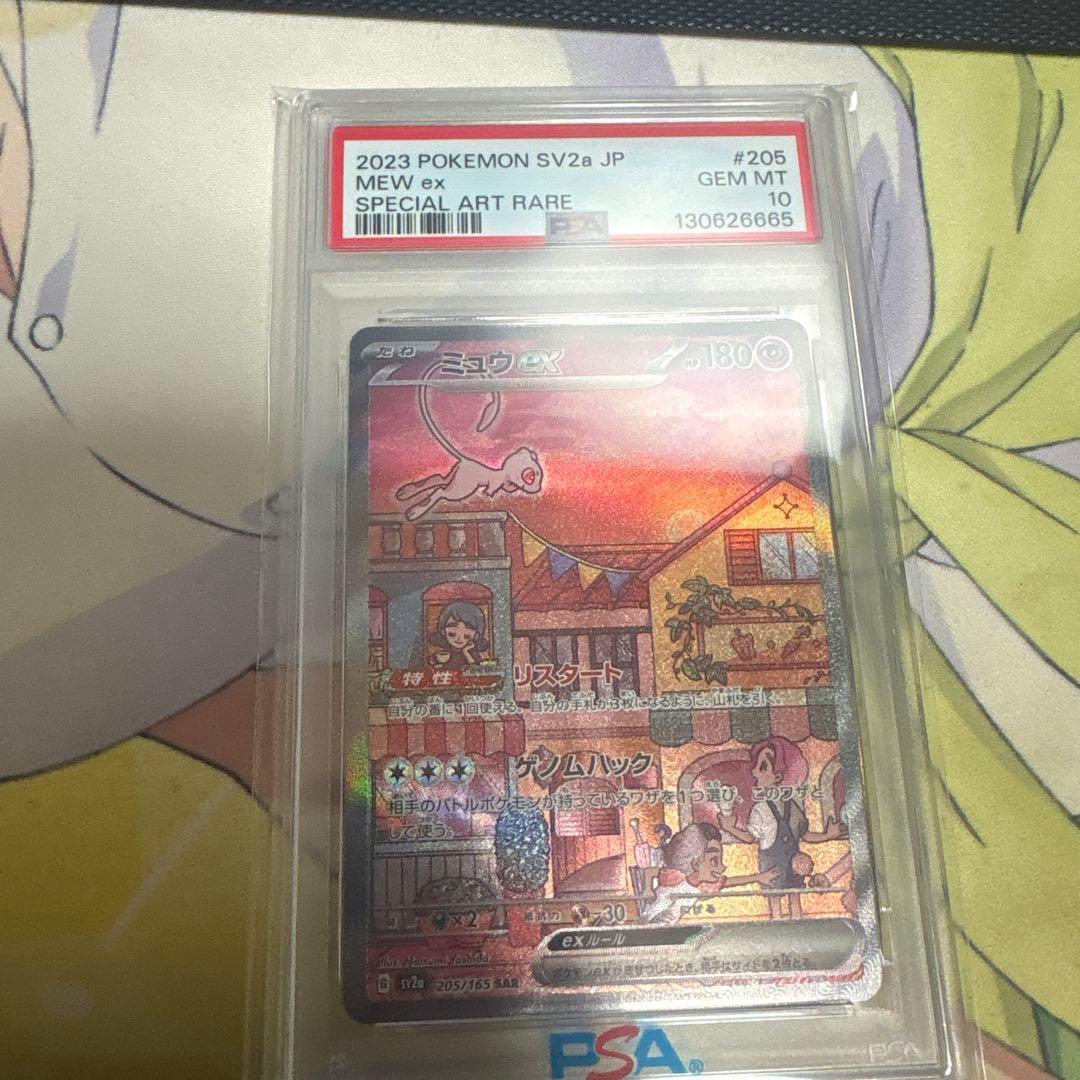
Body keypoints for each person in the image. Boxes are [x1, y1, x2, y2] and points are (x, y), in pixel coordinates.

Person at [720, 737, 846, 919]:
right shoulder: (761, 808)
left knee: (794, 896)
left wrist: (828, 835)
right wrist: (730, 829)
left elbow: (805, 834)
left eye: (762, 767)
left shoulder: (791, 806)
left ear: (778, 776)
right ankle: (777, 924)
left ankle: (798, 923)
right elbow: (751, 837)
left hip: (794, 864)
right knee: (775, 900)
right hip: (772, 865)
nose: (754, 771)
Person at [641, 822, 779, 924]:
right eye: (714, 860)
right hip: (649, 921)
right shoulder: (674, 876)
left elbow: (728, 882)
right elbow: (650, 872)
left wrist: (758, 877)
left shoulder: (702, 887)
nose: (722, 867)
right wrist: (648, 890)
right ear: (695, 863)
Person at [428, 601, 489, 669]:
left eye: (466, 636)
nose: (459, 639)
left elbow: (475, 670)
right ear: (443, 632)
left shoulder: (472, 654)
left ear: (476, 636)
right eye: (452, 634)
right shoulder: (444, 654)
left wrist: (466, 652)